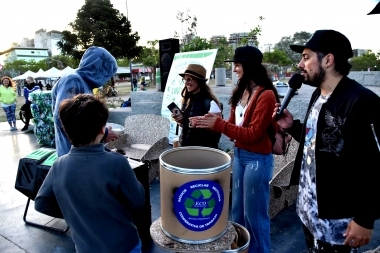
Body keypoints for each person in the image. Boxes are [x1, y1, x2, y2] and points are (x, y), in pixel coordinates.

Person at [274, 30, 380, 252]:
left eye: (306, 57)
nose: (300, 64)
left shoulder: (362, 101)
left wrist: (365, 219)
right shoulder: (318, 95)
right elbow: (321, 141)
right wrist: (292, 126)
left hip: (338, 223)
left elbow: (376, 166)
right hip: (308, 213)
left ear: (328, 60)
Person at [195, 46, 280, 253]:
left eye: (237, 65)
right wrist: (213, 123)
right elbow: (234, 130)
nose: (234, 69)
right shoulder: (240, 92)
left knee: (255, 216)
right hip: (240, 156)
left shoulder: (266, 95)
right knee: (238, 212)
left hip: (257, 160)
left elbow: (252, 135)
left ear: (249, 67)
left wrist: (219, 124)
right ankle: (242, 250)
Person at [35, 94, 145, 253]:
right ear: (102, 129)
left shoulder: (58, 166)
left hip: (85, 247)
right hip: (123, 245)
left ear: (67, 131)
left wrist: (76, 215)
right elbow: (138, 200)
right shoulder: (117, 162)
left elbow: (41, 203)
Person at [52, 46, 119, 157]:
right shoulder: (73, 80)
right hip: (72, 155)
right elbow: (64, 118)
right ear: (98, 67)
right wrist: (103, 133)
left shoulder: (85, 84)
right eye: (107, 73)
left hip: (83, 155)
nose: (107, 79)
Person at [171, 64, 222, 149]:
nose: (186, 83)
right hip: (185, 150)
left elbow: (218, 130)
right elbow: (185, 127)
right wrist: (181, 121)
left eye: (189, 79)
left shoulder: (210, 102)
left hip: (202, 153)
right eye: (185, 79)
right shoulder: (186, 99)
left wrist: (199, 124)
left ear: (199, 81)